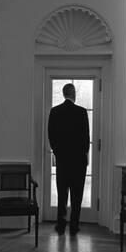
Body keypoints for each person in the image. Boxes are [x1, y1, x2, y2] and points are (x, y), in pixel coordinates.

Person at [48, 83, 90, 236]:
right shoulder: (82, 112)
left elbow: (51, 136)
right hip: (78, 162)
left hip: (62, 161)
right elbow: (86, 138)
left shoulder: (55, 112)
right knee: (77, 195)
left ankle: (61, 225)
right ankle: (74, 226)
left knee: (62, 194)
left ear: (64, 94)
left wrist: (58, 153)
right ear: (74, 95)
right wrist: (83, 155)